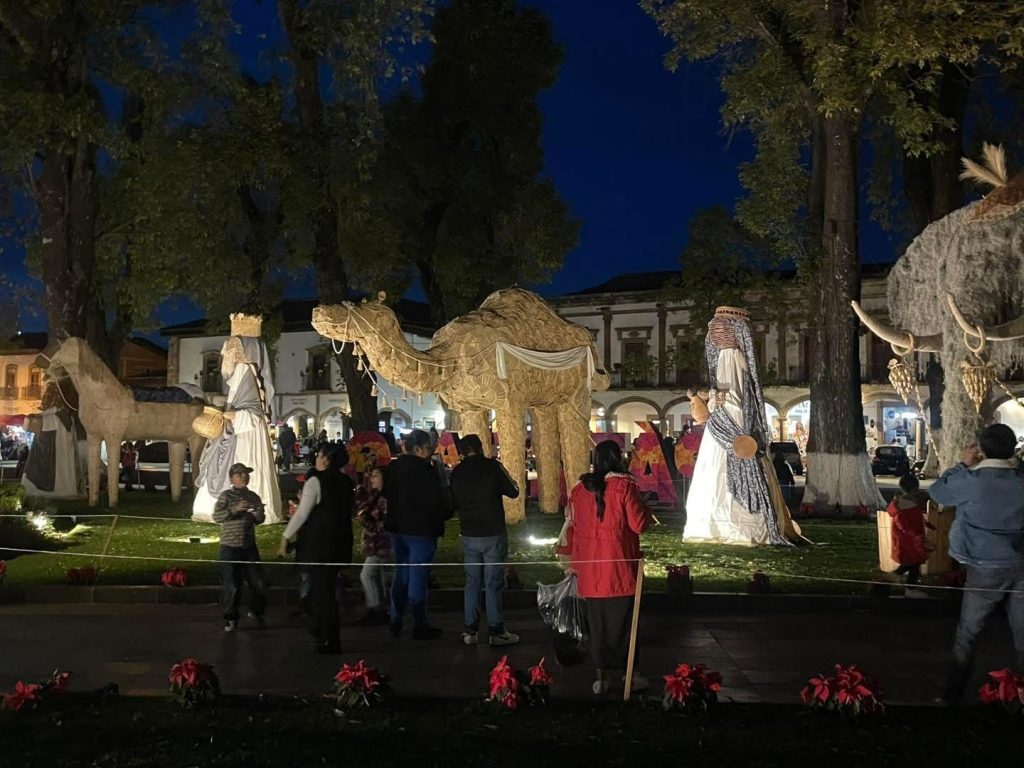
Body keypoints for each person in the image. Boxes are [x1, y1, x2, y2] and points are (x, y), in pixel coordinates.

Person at [930, 424, 1024, 704]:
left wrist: (962, 464)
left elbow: (937, 492)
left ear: (982, 448)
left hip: (983, 565)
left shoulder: (971, 480)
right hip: (1020, 562)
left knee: (969, 631)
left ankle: (953, 693)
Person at [684, 306, 793, 545]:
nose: (716, 332)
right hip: (721, 423)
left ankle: (738, 524)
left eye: (722, 328)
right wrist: (711, 398)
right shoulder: (726, 357)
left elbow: (734, 398)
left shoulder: (736, 358)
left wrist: (714, 399)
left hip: (733, 423)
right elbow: (725, 394)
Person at [568, 439, 653, 695]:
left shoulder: (579, 490)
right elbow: (638, 524)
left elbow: (575, 529)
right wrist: (647, 510)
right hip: (619, 569)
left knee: (597, 627)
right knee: (625, 626)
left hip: (590, 572)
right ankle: (629, 675)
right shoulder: (625, 487)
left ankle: (600, 677)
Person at [193, 319, 282, 523]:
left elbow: (256, 414)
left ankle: (248, 507)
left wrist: (236, 416)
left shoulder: (249, 376)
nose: (227, 357)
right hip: (232, 430)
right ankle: (217, 506)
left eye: (232, 352)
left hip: (247, 437)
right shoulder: (236, 380)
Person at [278, 442, 355, 654]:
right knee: (328, 591)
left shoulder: (316, 481)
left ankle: (327, 636)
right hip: (339, 542)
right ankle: (328, 634)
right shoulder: (346, 482)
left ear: (327, 459)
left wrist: (285, 537)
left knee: (321, 594)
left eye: (320, 455)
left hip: (318, 544)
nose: (317, 459)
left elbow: (301, 514)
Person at [450, 433, 521, 647]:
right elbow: (514, 491)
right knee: (493, 582)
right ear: (481, 447)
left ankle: (470, 630)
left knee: (472, 582)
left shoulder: (457, 472)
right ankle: (496, 630)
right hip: (493, 532)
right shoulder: (493, 467)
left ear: (462, 452)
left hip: (469, 532)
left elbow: (452, 501)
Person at [384, 428, 451, 639]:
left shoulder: (393, 468)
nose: (431, 451)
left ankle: (395, 618)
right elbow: (437, 500)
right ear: (419, 449)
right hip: (422, 530)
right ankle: (419, 622)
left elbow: (387, 493)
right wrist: (445, 513)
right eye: (428, 448)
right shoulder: (427, 471)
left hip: (398, 527)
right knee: (418, 577)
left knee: (401, 574)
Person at [213, 463, 267, 632]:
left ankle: (256, 611)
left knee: (258, 582)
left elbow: (259, 519)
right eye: (240, 474)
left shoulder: (253, 496)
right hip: (230, 547)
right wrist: (235, 509)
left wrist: (258, 513)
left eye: (246, 474)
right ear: (232, 479)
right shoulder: (226, 496)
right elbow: (217, 516)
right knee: (232, 585)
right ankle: (231, 618)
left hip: (248, 546)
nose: (244, 476)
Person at [887, 473, 932, 596]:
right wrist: (917, 537)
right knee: (913, 563)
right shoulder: (907, 507)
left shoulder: (905, 503)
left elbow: (913, 520)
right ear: (914, 488)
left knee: (914, 564)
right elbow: (905, 525)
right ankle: (900, 580)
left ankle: (906, 585)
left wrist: (927, 524)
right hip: (910, 541)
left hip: (908, 540)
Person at [356, 466, 390, 624]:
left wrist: (366, 520)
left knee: (366, 575)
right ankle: (382, 606)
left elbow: (380, 524)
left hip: (380, 543)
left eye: (376, 475)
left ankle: (374, 606)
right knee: (377, 575)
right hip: (374, 543)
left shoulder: (383, 499)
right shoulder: (374, 497)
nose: (372, 479)